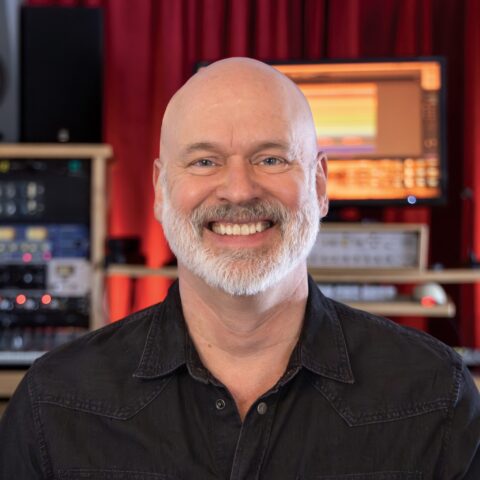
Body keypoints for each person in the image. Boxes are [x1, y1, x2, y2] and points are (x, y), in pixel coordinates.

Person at [1, 57, 479, 479]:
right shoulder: (55, 403)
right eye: (204, 161)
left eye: (270, 158)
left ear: (319, 185)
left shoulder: (436, 395)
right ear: (160, 191)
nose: (238, 190)